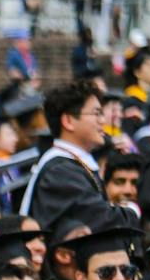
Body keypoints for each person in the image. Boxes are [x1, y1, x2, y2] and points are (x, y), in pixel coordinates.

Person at [21, 79, 138, 232]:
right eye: (96, 113)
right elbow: (98, 220)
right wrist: (132, 210)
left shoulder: (72, 164)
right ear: (68, 121)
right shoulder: (60, 172)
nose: (103, 121)